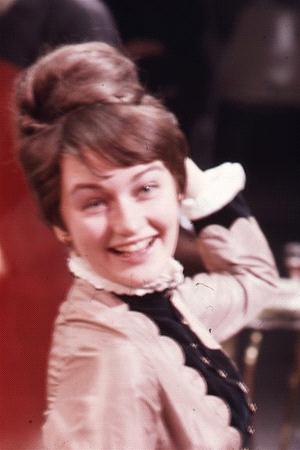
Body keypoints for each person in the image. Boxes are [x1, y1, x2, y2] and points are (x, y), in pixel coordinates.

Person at [14, 42, 282, 450]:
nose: (129, 224)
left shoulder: (167, 307)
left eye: (145, 188)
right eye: (94, 202)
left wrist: (175, 168)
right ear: (61, 224)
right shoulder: (111, 357)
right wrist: (156, 173)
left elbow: (251, 278)